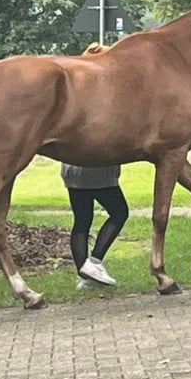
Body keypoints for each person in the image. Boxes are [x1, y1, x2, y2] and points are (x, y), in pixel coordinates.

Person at [61, 42, 129, 289]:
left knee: (82, 221)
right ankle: (95, 262)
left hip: (72, 168)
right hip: (98, 167)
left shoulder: (75, 90)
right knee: (119, 212)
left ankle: (84, 273)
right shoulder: (108, 93)